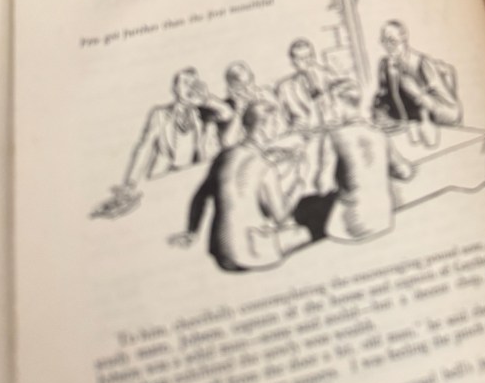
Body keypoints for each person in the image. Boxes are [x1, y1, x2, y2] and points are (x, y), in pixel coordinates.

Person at [169, 97, 311, 270]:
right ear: (266, 127)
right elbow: (280, 216)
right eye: (275, 123)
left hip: (220, 254)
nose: (278, 128)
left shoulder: (224, 156)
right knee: (303, 233)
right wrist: (298, 184)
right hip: (252, 254)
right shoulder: (265, 166)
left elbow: (200, 197)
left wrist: (192, 231)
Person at [91, 67, 214, 219]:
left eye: (193, 83)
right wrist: (130, 183)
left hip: (191, 179)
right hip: (164, 177)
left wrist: (206, 100)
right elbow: (144, 147)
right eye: (185, 83)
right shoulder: (160, 114)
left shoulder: (201, 115)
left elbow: (225, 115)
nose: (190, 87)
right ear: (175, 88)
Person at [299, 79, 414, 243]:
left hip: (349, 227)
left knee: (308, 209)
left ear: (340, 104)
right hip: (383, 218)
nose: (330, 110)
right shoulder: (378, 134)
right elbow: (405, 172)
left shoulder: (334, 136)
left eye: (331, 105)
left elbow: (323, 186)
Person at [373, 20, 462, 145]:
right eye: (384, 41)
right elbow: (383, 99)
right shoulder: (385, 65)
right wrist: (380, 113)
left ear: (404, 39)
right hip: (404, 130)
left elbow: (452, 113)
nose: (388, 46)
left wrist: (417, 94)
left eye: (392, 41)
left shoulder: (422, 64)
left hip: (431, 129)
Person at [275, 38, 338, 132]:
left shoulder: (328, 76)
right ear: (293, 62)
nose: (307, 61)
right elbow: (282, 119)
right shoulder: (285, 88)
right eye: (301, 59)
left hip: (332, 129)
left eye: (309, 56)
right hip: (302, 134)